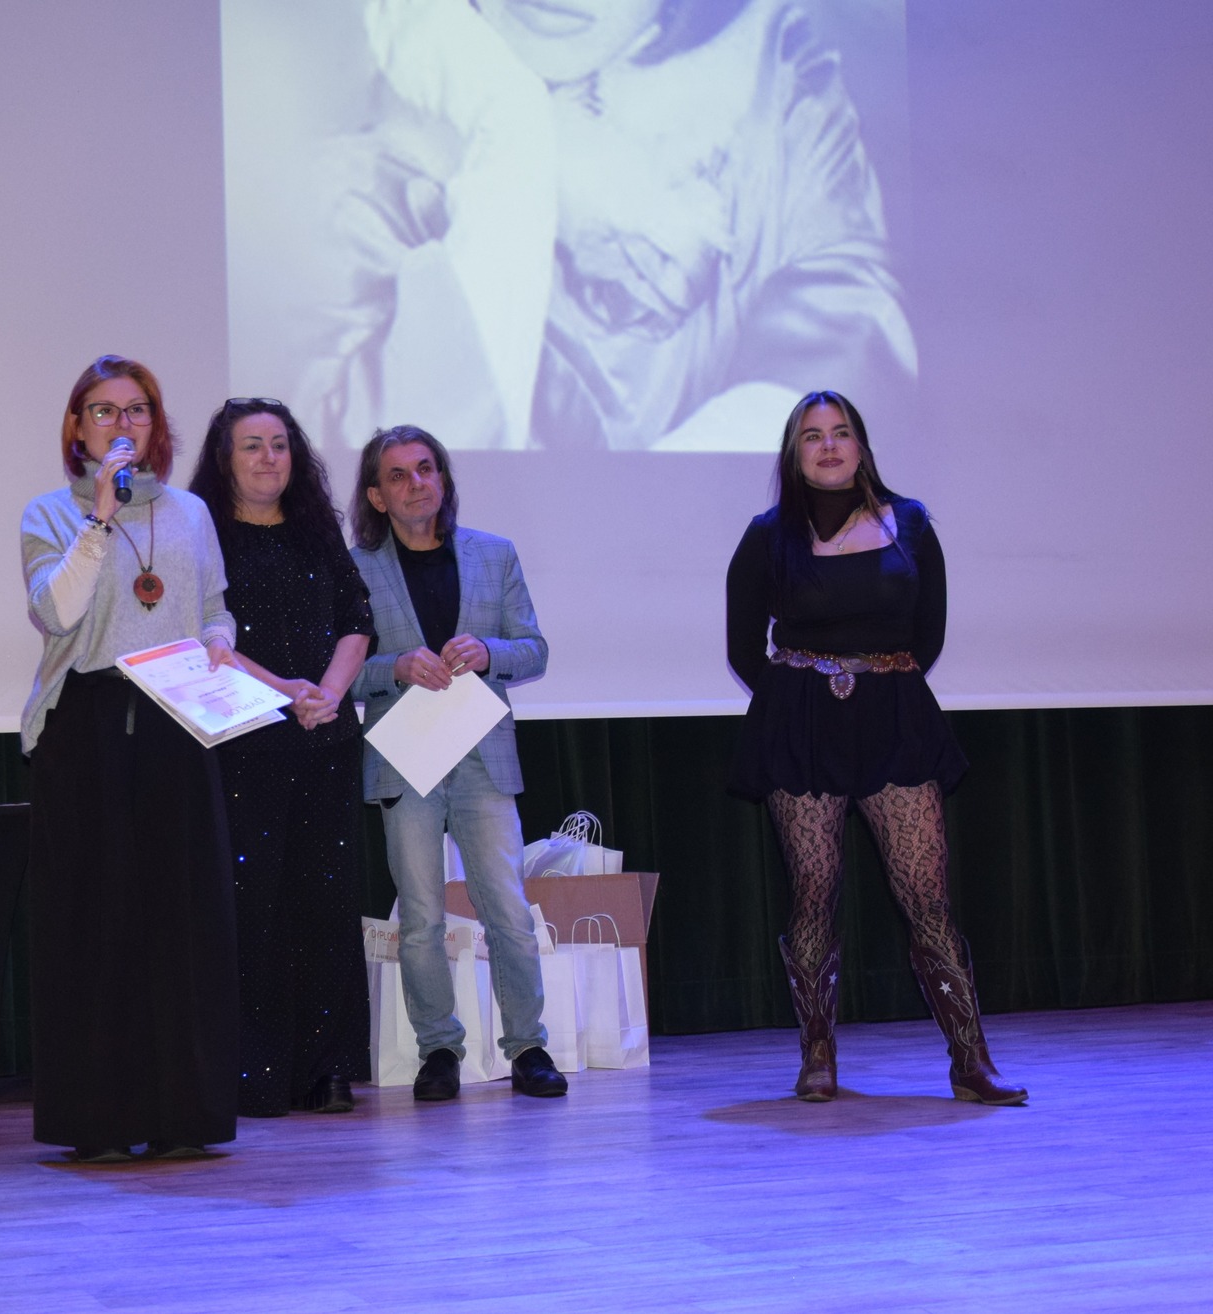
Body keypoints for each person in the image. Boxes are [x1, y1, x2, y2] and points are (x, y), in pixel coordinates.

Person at [303, 0, 913, 451]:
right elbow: (385, 466)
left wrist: (677, 509)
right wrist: (512, 132)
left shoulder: (767, 66)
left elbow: (852, 315)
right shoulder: (357, 154)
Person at [726, 390, 1025, 1105]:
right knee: (814, 892)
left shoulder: (909, 521)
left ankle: (971, 1059)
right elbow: (742, 647)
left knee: (927, 895)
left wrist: (878, 680)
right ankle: (818, 1055)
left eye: (841, 432)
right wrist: (802, 693)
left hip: (894, 721)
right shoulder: (768, 535)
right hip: (803, 728)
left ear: (861, 445)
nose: (828, 446)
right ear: (794, 453)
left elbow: (930, 633)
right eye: (812, 436)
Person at [19, 355, 241, 1162]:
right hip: (90, 724)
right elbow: (56, 612)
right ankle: (99, 1119)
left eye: (137, 410)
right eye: (104, 411)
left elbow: (214, 609)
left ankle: (186, 1113)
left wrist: (219, 642)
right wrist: (101, 518)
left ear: (157, 425)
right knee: (97, 921)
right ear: (77, 428)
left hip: (178, 719)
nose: (123, 424)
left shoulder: (190, 512)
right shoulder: (50, 513)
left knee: (183, 921)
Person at [348, 425, 566, 1100]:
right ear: (377, 496)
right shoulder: (355, 567)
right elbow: (342, 675)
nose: (416, 483)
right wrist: (395, 667)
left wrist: (491, 652)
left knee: (509, 909)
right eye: (398, 475)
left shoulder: (494, 554)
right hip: (406, 758)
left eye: (426, 469)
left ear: (443, 479)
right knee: (420, 918)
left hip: (483, 757)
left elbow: (534, 649)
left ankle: (528, 1047)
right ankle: (438, 1051)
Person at [186, 398, 376, 1118]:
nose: (269, 458)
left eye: (279, 444)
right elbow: (205, 636)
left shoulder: (317, 531)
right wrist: (285, 691)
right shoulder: (204, 537)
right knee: (254, 904)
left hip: (325, 738)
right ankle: (256, 1073)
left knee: (326, 904)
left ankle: (327, 1069)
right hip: (246, 740)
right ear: (224, 459)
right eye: (251, 446)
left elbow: (357, 620)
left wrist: (327, 692)